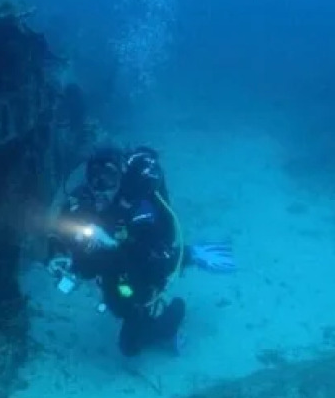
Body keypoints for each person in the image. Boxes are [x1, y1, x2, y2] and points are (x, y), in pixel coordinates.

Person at [48, 145, 235, 357]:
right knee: (117, 305)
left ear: (120, 176)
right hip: (114, 266)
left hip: (143, 260)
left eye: (108, 177)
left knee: (130, 343)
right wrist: (58, 255)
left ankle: (190, 258)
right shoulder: (82, 201)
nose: (100, 185)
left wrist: (114, 241)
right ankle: (141, 311)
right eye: (95, 176)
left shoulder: (137, 201)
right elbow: (59, 232)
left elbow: (152, 247)